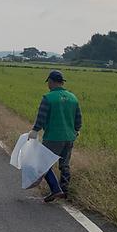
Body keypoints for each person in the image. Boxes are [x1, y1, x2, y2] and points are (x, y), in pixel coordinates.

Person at [27, 70, 82, 202]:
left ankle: (56, 190)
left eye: (49, 83)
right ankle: (65, 190)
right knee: (64, 165)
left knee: (43, 164)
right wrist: (76, 129)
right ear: (62, 82)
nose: (48, 85)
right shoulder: (73, 97)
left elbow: (41, 117)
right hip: (69, 137)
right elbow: (78, 118)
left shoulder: (48, 98)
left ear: (51, 82)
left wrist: (35, 130)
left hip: (53, 137)